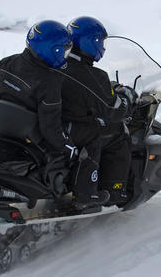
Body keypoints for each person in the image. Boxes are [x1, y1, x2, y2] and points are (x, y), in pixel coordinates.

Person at [0, 20, 107, 209]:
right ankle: (86, 194)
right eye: (65, 51)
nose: (66, 57)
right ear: (54, 50)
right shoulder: (49, 80)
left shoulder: (7, 62)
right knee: (93, 134)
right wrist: (68, 147)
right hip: (32, 136)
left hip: (2, 130)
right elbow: (50, 126)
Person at [58, 16, 137, 207]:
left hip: (55, 123)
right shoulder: (93, 75)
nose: (103, 46)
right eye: (101, 41)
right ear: (90, 41)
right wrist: (127, 97)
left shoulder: (56, 62)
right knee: (119, 132)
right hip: (75, 128)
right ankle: (115, 190)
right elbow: (115, 110)